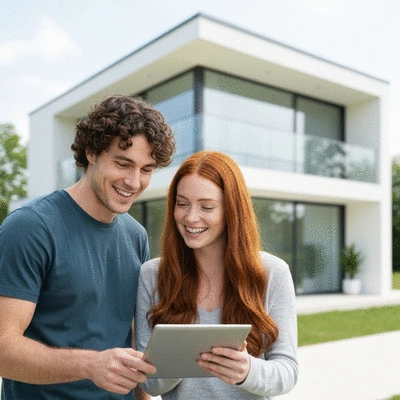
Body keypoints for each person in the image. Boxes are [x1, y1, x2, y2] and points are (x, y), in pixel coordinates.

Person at [0, 94, 175, 399]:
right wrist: (91, 365)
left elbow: (132, 337)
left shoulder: (136, 236)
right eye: (123, 164)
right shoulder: (30, 227)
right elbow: (3, 348)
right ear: (92, 153)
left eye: (146, 169)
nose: (134, 182)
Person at [135, 150, 298, 399]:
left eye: (207, 206)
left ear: (231, 210)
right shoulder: (152, 275)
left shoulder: (273, 273)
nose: (190, 217)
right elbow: (150, 384)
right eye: (182, 204)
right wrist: (184, 355)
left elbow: (287, 372)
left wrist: (247, 371)